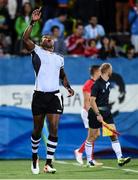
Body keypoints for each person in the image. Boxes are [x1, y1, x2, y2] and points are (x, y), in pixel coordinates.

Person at [22, 7, 74, 174]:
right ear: (42, 42)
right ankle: (35, 156)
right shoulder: (36, 51)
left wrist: (67, 86)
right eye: (44, 37)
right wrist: (32, 22)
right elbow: (25, 38)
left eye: (50, 37)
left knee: (54, 127)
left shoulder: (60, 58)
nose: (47, 38)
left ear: (54, 42)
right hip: (39, 96)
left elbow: (62, 75)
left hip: (54, 96)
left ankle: (49, 163)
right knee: (37, 130)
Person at [85, 63, 131, 167]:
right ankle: (89, 160)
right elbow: (92, 101)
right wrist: (98, 114)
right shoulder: (96, 84)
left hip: (106, 112)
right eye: (111, 69)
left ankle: (120, 159)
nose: (112, 71)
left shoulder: (108, 83)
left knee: (113, 135)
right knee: (92, 137)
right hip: (95, 113)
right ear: (107, 71)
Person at [74, 65, 103, 166]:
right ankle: (80, 152)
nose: (101, 73)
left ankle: (90, 159)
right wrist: (93, 115)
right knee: (92, 135)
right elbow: (87, 103)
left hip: (94, 112)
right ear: (95, 72)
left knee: (96, 135)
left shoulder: (97, 83)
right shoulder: (88, 84)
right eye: (100, 71)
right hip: (88, 113)